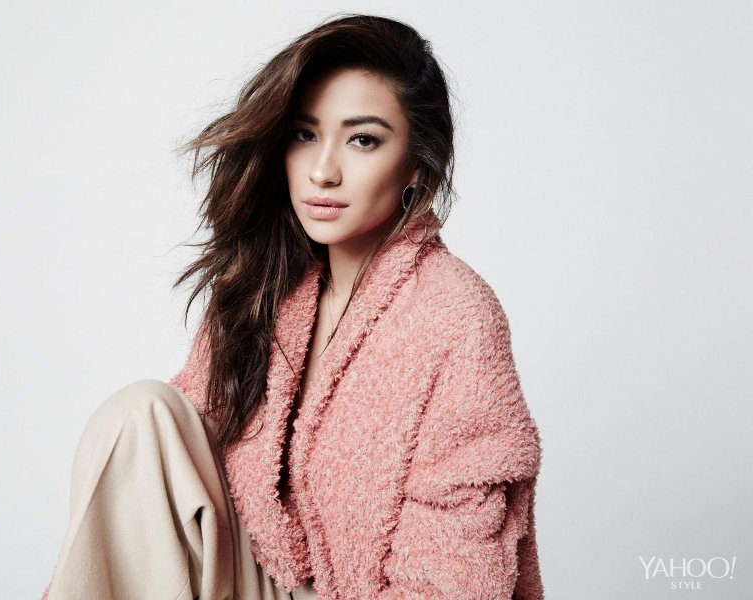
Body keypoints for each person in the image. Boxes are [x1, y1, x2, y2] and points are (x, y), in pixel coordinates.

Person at [40, 13, 544, 600]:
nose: (323, 171)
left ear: (415, 165)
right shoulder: (271, 281)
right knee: (140, 414)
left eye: (363, 140)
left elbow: (457, 573)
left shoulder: (456, 314)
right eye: (305, 135)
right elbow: (189, 456)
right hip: (256, 577)